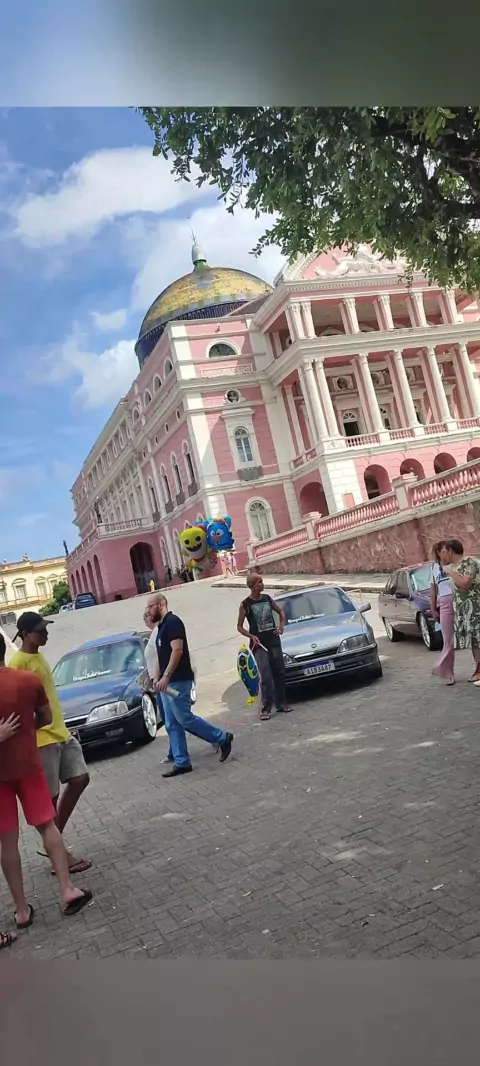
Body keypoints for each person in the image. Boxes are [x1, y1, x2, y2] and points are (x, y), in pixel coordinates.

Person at [0, 634, 92, 926]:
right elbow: (45, 717)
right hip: (28, 764)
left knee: (7, 841)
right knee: (47, 826)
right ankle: (67, 890)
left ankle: (22, 910)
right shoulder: (27, 680)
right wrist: (25, 728)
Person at [9, 612, 91, 875]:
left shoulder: (38, 657)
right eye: (40, 630)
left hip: (60, 733)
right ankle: (60, 855)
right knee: (49, 801)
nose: (46, 633)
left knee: (80, 778)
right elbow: (16, 706)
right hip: (42, 739)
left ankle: (53, 843)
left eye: (45, 629)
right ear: (25, 635)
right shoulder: (19, 663)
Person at [147, 592, 233, 777]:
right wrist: (156, 678)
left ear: (161, 605)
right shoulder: (161, 627)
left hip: (178, 680)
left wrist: (166, 676)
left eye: (150, 606)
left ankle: (222, 737)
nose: (148, 611)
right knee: (171, 723)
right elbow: (160, 657)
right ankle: (182, 762)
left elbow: (177, 651)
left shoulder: (173, 622)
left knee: (184, 718)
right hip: (165, 684)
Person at [237, 573, 293, 721]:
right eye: (259, 582)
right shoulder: (245, 604)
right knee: (266, 676)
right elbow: (239, 627)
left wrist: (281, 627)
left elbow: (281, 612)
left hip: (273, 641)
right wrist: (251, 636)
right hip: (259, 645)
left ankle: (281, 703)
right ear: (252, 586)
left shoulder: (267, 599)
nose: (262, 584)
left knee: (279, 672)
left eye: (262, 581)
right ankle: (266, 708)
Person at [438, 539, 480, 682]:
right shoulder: (453, 567)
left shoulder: (468, 561)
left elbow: (465, 584)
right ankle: (478, 669)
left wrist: (450, 572)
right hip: (465, 611)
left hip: (475, 608)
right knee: (474, 641)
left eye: (444, 551)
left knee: (478, 639)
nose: (442, 555)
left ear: (451, 551)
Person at [143, 604, 173, 764]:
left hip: (163, 682)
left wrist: (157, 677)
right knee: (171, 719)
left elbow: (161, 657)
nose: (145, 620)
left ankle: (216, 736)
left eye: (147, 616)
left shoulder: (157, 632)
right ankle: (174, 751)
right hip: (158, 683)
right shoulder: (154, 633)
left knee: (180, 718)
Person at [430, 541, 455, 685]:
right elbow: (433, 591)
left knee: (472, 636)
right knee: (448, 640)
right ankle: (448, 672)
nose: (447, 553)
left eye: (448, 550)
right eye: (444, 551)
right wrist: (433, 609)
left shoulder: (455, 564)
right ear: (439, 553)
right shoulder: (434, 568)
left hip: (458, 600)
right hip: (445, 603)